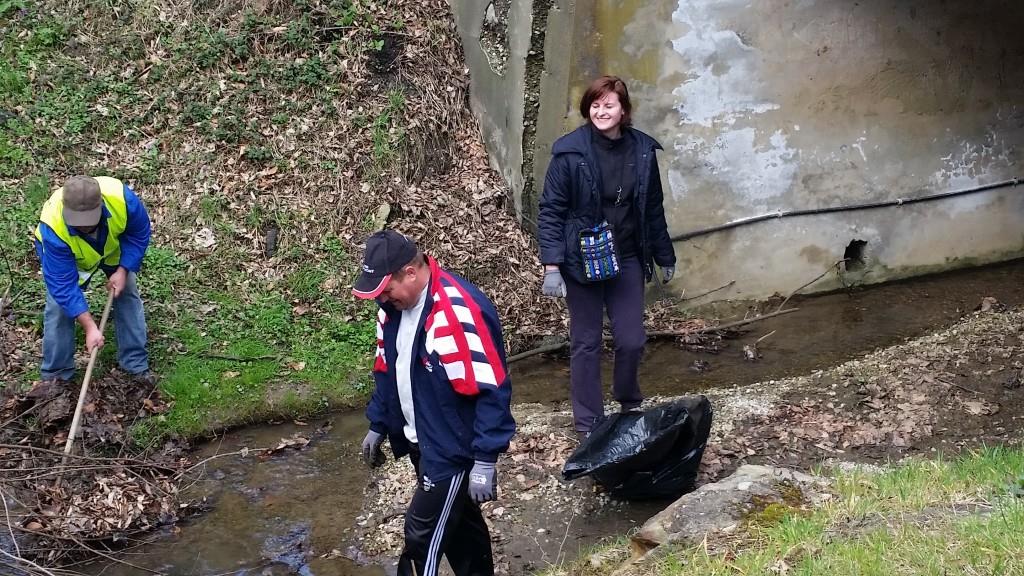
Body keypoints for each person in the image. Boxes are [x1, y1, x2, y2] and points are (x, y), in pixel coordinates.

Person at [352, 230, 515, 576]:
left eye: (386, 290)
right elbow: (387, 370)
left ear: (410, 273)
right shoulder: (391, 310)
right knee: (462, 532)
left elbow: (491, 387)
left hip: (451, 450)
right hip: (421, 440)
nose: (381, 299)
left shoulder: (457, 309)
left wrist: (485, 459)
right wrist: (379, 422)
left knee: (420, 538)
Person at [537, 75, 676, 437]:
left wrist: (664, 254)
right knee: (587, 342)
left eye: (609, 105)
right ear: (588, 110)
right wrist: (552, 265)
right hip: (581, 258)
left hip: (626, 255)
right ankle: (588, 422)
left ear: (623, 110)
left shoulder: (642, 151)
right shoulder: (569, 153)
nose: (601, 111)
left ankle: (628, 402)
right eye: (595, 105)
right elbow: (551, 211)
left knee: (631, 339)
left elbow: (652, 208)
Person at [34, 175, 155, 385]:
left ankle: (135, 364)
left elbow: (138, 234)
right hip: (71, 258)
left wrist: (123, 270)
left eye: (88, 221)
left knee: (126, 291)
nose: (84, 227)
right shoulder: (53, 227)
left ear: (101, 206)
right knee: (59, 306)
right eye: (78, 222)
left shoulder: (122, 200)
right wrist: (90, 327)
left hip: (112, 249)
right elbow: (63, 286)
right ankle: (56, 377)